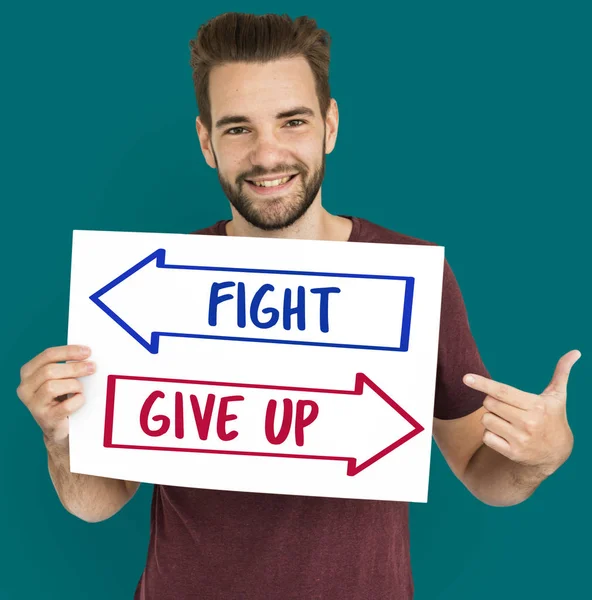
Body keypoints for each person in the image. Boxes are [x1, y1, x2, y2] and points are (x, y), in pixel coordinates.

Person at [16, 12, 579, 600]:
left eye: (292, 121)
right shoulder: (155, 285)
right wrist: (62, 438)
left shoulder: (411, 279)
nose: (267, 154)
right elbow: (97, 502)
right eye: (238, 129)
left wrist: (542, 455)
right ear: (207, 142)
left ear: (329, 126)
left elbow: (483, 473)